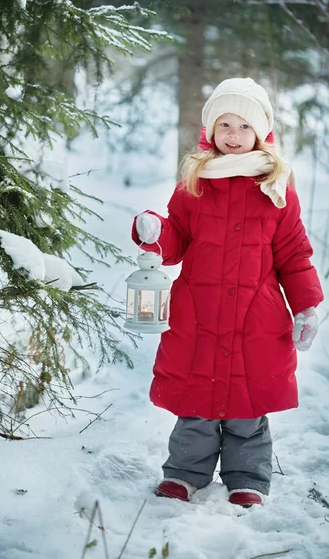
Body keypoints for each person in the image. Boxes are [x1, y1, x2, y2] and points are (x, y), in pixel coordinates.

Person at [131, 77, 324, 508]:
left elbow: (293, 254)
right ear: (210, 132)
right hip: (198, 311)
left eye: (242, 126)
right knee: (196, 400)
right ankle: (184, 473)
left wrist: (307, 305)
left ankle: (247, 478)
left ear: (260, 133)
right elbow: (176, 238)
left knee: (247, 406)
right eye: (224, 126)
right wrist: (154, 231)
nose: (233, 136)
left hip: (256, 316)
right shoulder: (195, 182)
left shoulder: (276, 188)